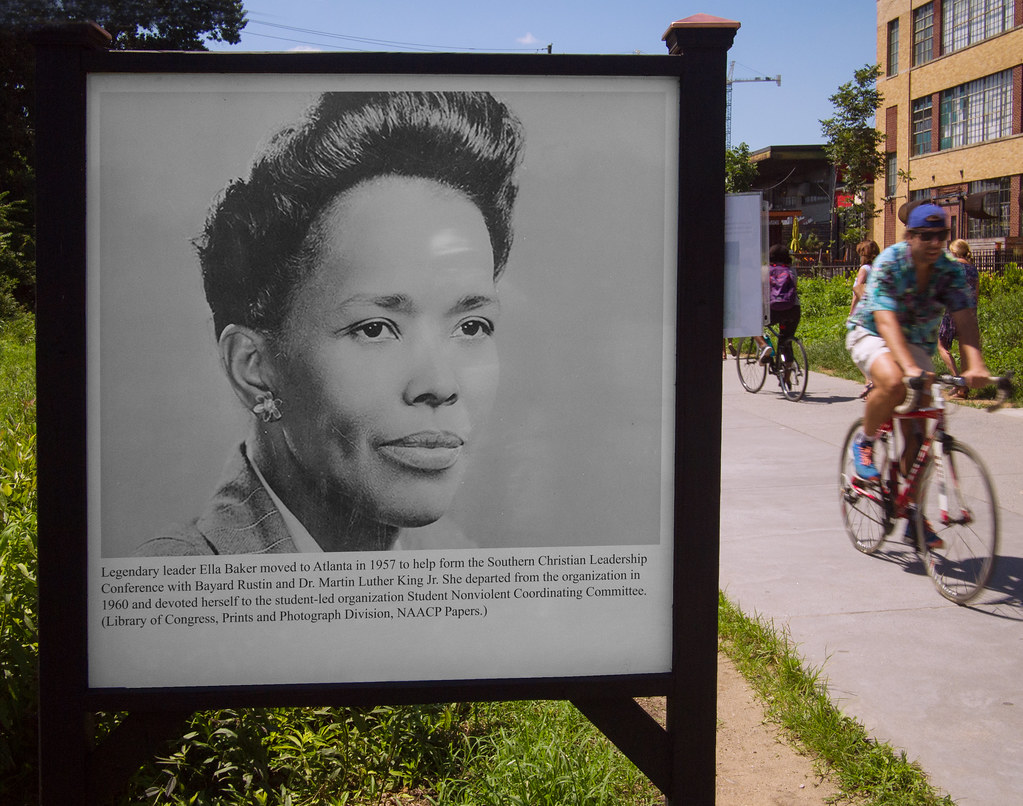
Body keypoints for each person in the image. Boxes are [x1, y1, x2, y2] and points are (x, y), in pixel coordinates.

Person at [137, 91, 524, 556]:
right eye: (375, 328)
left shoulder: (465, 565)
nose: (440, 385)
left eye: (472, 326)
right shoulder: (182, 586)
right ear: (254, 368)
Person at [844, 204, 989, 549]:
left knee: (918, 433)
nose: (935, 242)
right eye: (926, 236)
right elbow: (885, 317)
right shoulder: (891, 262)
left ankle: (911, 513)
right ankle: (864, 444)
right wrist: (908, 367)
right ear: (910, 237)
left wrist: (976, 364)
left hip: (917, 343)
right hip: (872, 331)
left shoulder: (949, 271)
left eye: (942, 236)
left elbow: (965, 318)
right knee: (893, 382)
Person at [937, 239, 981, 398]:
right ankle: (963, 389)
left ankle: (958, 380)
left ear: (953, 252)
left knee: (942, 346)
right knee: (965, 350)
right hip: (970, 313)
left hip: (953, 311)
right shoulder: (973, 269)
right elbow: (976, 293)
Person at [756, 244, 801, 377]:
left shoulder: (765, 270)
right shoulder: (791, 270)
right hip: (793, 309)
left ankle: (764, 346)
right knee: (786, 338)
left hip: (773, 309)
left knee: (751, 324)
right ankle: (787, 375)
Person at [850, 239, 880, 398]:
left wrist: (851, 312)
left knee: (856, 348)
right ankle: (871, 382)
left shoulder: (864, 269)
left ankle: (870, 382)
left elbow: (858, 290)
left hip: (863, 314)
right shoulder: (878, 268)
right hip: (878, 312)